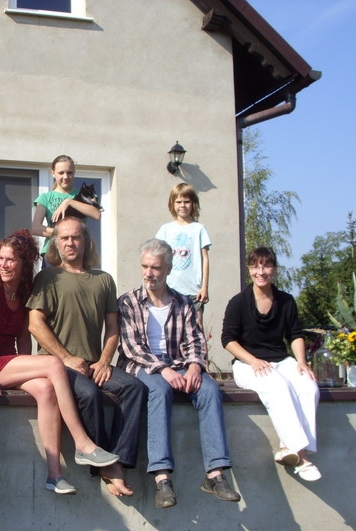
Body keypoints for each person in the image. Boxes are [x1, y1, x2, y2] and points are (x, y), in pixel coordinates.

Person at [0, 230, 118, 495]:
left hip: (9, 362)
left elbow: (23, 339)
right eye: (1, 258)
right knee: (54, 364)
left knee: (46, 388)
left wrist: (28, 367)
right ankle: (82, 443)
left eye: (11, 259)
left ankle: (54, 475)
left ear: (24, 263)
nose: (4, 264)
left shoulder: (23, 291)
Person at [27, 217, 146, 497]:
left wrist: (104, 361)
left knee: (135, 388)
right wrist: (67, 358)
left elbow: (113, 328)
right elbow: (35, 324)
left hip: (93, 363)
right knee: (89, 394)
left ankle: (118, 460)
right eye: (64, 238)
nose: (70, 243)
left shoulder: (104, 280)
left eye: (76, 237)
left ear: (86, 242)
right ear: (56, 243)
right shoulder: (48, 277)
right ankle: (102, 465)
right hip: (58, 365)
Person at [118, 238, 241, 509]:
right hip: (142, 366)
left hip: (179, 363)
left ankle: (216, 474)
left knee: (209, 390)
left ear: (168, 269)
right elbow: (132, 347)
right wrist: (163, 370)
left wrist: (195, 366)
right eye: (145, 266)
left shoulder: (183, 303)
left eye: (155, 268)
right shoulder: (128, 302)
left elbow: (195, 340)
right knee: (159, 390)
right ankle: (162, 478)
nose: (149, 273)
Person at [222, 246, 320, 481]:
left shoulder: (286, 301)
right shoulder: (238, 302)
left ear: (274, 269)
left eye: (266, 266)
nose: (261, 272)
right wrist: (253, 360)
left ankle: (288, 447)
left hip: (281, 360)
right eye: (255, 266)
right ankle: (302, 457)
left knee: (309, 387)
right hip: (247, 364)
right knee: (278, 387)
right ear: (249, 269)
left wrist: (302, 362)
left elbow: (295, 334)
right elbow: (228, 340)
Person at [155, 183, 211, 328]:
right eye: (178, 202)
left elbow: (205, 259)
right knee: (171, 328)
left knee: (196, 327)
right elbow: (157, 258)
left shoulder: (199, 229)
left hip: (193, 290)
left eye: (186, 201)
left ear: (193, 203)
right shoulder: (165, 229)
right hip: (169, 289)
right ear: (172, 204)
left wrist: (204, 287)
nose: (182, 205)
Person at [31, 155, 102, 268]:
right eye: (61, 173)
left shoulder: (85, 193)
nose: (65, 177)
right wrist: (63, 234)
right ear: (53, 173)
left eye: (69, 173)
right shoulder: (46, 198)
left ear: (74, 173)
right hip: (53, 253)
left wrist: (69, 202)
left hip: (78, 252)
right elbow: (36, 228)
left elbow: (96, 214)